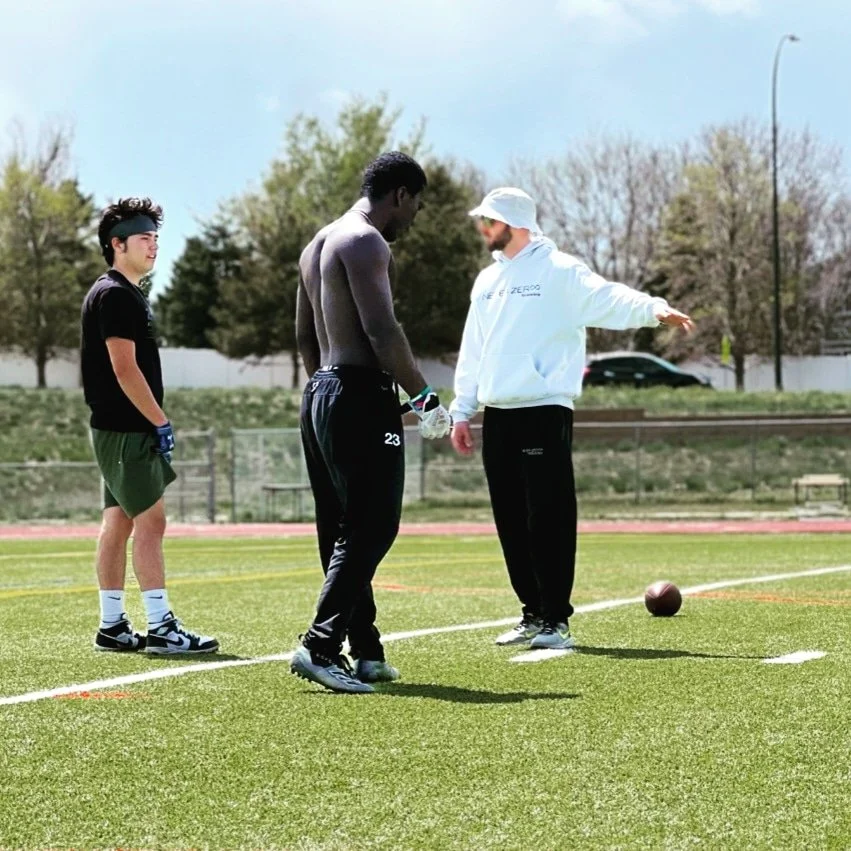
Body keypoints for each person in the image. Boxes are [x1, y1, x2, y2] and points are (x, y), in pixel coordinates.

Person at [449, 187, 694, 650]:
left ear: (514, 223)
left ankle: (556, 621)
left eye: (490, 221)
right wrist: (463, 410)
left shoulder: (559, 271)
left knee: (549, 517)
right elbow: (473, 351)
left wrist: (654, 309)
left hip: (544, 410)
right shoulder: (485, 283)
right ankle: (532, 614)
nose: (483, 229)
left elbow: (608, 297)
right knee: (511, 520)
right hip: (498, 415)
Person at [292, 152, 451, 694]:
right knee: (373, 524)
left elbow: (306, 337)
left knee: (340, 526)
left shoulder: (317, 243)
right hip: (356, 392)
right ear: (400, 194)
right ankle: (320, 644)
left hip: (323, 391)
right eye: (416, 205)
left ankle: (366, 651)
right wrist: (425, 398)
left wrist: (325, 392)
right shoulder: (365, 241)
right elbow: (384, 331)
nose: (413, 217)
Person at [82, 198, 219, 656]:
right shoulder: (116, 294)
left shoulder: (121, 292)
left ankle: (112, 625)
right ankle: (161, 626)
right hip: (126, 429)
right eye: (144, 237)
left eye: (156, 238)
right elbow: (125, 368)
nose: (153, 245)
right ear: (116, 244)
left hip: (117, 429)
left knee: (118, 522)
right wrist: (159, 420)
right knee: (152, 522)